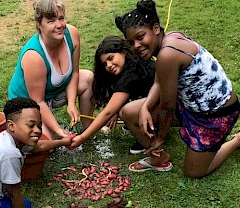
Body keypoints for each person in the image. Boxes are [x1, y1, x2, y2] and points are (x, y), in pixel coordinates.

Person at [115, 0, 240, 178]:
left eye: (140, 37)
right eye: (131, 42)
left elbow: (167, 106)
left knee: (194, 172)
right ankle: (159, 158)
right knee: (129, 112)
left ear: (156, 28)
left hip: (214, 115)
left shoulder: (168, 54)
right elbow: (159, 81)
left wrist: (160, 137)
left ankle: (238, 139)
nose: (136, 46)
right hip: (189, 106)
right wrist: (146, 107)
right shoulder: (168, 40)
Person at [70, 35, 172, 171]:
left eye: (111, 58)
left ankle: (159, 156)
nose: (109, 65)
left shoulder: (131, 72)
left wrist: (82, 137)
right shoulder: (129, 63)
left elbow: (108, 112)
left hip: (170, 110)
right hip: (161, 105)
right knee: (122, 108)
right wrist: (115, 110)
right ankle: (144, 130)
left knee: (127, 112)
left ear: (123, 52)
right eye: (105, 64)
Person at [8, 0, 94, 138]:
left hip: (53, 92)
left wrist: (71, 103)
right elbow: (38, 101)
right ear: (39, 25)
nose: (59, 25)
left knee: (88, 78)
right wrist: (59, 131)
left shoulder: (72, 34)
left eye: (61, 18)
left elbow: (75, 73)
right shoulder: (34, 56)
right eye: (51, 21)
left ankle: (88, 127)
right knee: (47, 141)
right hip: (30, 101)